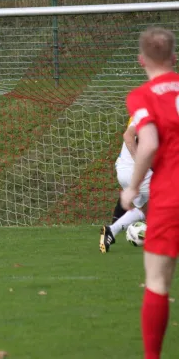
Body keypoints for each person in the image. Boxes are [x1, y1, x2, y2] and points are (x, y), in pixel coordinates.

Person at [120, 26, 179, 359]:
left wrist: (131, 188)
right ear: (174, 57)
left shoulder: (142, 96)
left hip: (172, 195)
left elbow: (150, 143)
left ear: (141, 60)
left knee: (158, 282)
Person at [99, 116, 152, 253]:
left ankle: (111, 230)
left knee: (146, 210)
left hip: (123, 170)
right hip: (138, 171)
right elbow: (128, 136)